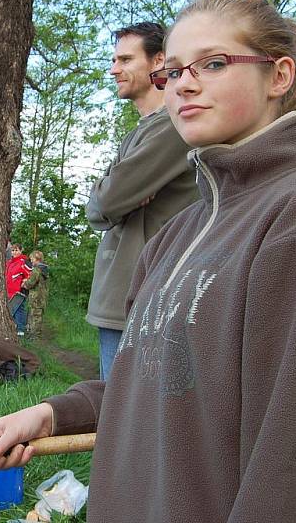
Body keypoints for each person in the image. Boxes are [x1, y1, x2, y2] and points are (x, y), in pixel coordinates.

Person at [0, 0, 296, 522]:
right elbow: (150, 380)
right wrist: (53, 414)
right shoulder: (175, 235)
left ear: (278, 77)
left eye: (213, 64)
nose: (185, 83)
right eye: (172, 71)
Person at [87, 22, 199, 380]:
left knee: (128, 423)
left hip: (144, 300)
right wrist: (114, 198)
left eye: (124, 59)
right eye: (113, 59)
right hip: (121, 301)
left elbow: (108, 199)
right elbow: (99, 207)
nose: (113, 69)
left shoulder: (172, 127)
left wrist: (113, 197)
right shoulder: (141, 131)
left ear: (158, 62)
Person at [5, 243, 31, 336]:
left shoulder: (23, 261)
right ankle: (15, 329)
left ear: (20, 251)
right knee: (12, 311)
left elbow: (30, 274)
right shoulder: (9, 262)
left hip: (19, 292)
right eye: (13, 250)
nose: (14, 252)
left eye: (16, 250)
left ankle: (21, 331)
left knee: (19, 310)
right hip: (9, 291)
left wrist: (24, 283)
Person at [21, 250, 48, 337]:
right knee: (38, 315)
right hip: (42, 296)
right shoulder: (44, 269)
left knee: (35, 316)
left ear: (37, 259)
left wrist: (24, 283)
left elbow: (31, 283)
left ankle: (35, 336)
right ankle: (36, 334)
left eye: (32, 259)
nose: (31, 261)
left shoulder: (37, 269)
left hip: (36, 297)